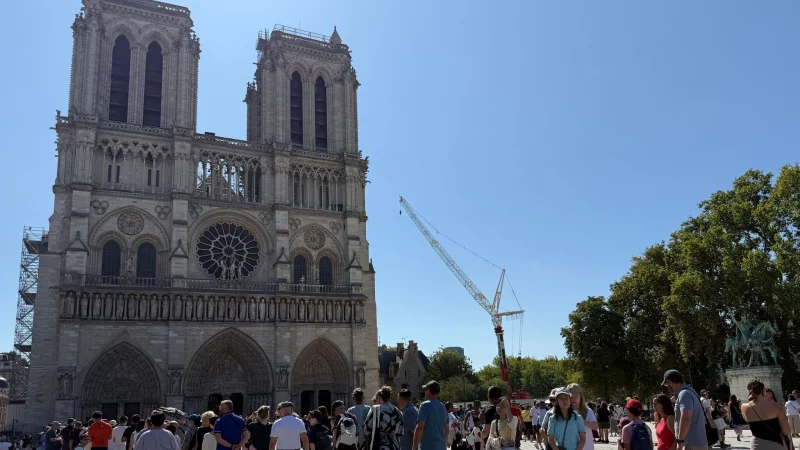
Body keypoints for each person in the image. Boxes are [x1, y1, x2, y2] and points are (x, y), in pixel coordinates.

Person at [662, 369, 709, 450]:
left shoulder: (684, 394)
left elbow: (686, 418)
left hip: (690, 444)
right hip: (695, 442)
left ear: (670, 382)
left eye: (667, 384)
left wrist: (680, 441)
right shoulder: (690, 391)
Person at [741, 379, 794, 450]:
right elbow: (786, 431)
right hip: (777, 444)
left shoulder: (744, 407)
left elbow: (746, 418)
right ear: (763, 391)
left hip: (757, 445)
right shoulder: (776, 406)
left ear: (749, 392)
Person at [364, 386, 404, 450]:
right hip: (394, 447)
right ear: (389, 397)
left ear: (379, 397)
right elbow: (400, 432)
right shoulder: (398, 412)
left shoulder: (375, 409)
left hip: (379, 446)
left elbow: (366, 431)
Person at [413, 381, 449, 450]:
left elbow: (420, 428)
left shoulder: (425, 405)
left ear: (429, 390)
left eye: (425, 389)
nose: (424, 391)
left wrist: (414, 447)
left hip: (427, 446)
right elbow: (446, 429)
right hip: (441, 446)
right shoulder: (443, 407)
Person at [567, 384, 597, 450]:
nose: (573, 399)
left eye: (575, 396)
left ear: (581, 396)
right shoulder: (564, 411)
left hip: (586, 447)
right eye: (571, 397)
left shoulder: (587, 411)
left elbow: (595, 426)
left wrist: (582, 421)